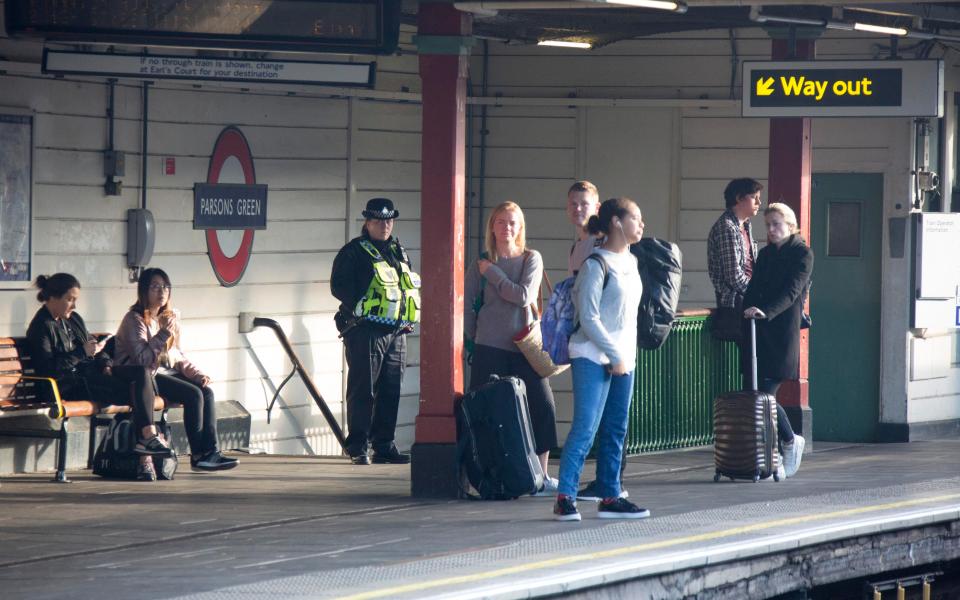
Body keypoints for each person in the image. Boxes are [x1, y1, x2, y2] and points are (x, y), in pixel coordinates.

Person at [554, 198, 650, 522]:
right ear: (616, 223)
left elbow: (629, 318)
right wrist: (613, 353)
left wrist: (626, 356)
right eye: (635, 218)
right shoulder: (596, 264)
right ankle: (565, 496)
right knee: (586, 427)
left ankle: (611, 494)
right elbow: (589, 317)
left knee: (616, 430)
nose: (641, 224)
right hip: (591, 355)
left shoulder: (633, 262)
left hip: (624, 359)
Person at [26, 273, 172, 482]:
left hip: (92, 375)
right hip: (67, 385)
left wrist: (105, 363)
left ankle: (147, 438)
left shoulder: (73, 320)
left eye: (76, 300)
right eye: (70, 299)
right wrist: (81, 353)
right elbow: (49, 369)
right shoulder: (41, 326)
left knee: (140, 372)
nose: (74, 306)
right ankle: (146, 444)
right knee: (137, 393)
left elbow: (96, 349)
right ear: (52, 298)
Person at [465, 201, 559, 494]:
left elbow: (522, 296)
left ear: (520, 228)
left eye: (513, 223)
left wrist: (493, 273)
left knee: (542, 406)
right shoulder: (478, 263)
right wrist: (473, 338)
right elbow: (468, 305)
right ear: (492, 226)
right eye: (501, 222)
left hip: (525, 347)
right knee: (481, 410)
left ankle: (542, 474)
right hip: (488, 346)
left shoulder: (530, 258)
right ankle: (478, 475)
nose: (507, 227)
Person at [115, 268, 238, 478]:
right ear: (143, 291)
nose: (161, 292)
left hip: (164, 373)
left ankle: (210, 452)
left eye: (165, 287)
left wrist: (197, 375)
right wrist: (163, 333)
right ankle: (198, 455)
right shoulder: (134, 319)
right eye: (155, 287)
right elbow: (142, 360)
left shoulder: (167, 318)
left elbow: (177, 356)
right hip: (145, 377)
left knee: (205, 391)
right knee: (193, 395)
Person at [330, 198, 420, 465]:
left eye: (389, 220)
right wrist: (363, 307)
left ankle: (383, 444)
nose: (385, 225)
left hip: (396, 331)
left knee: (391, 389)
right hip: (365, 331)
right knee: (363, 389)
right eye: (379, 221)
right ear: (367, 222)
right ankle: (358, 445)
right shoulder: (353, 252)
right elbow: (339, 286)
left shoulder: (398, 250)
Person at [742, 203, 812, 478]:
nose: (771, 229)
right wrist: (747, 310)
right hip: (758, 330)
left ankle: (789, 440)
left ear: (791, 225)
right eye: (768, 224)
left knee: (765, 394)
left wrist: (766, 312)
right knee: (755, 393)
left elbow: (792, 291)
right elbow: (754, 287)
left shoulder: (802, 254)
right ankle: (774, 454)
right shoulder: (766, 254)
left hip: (782, 331)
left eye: (776, 224)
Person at [707, 178, 763, 350]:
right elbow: (734, 276)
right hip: (734, 305)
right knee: (748, 358)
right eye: (754, 197)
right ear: (739, 198)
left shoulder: (745, 225)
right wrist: (759, 293)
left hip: (748, 300)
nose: (759, 202)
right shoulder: (727, 227)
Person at [566, 180, 601, 277]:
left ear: (597, 208)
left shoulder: (605, 243)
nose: (578, 209)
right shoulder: (574, 249)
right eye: (573, 204)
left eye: (584, 204)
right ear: (567, 208)